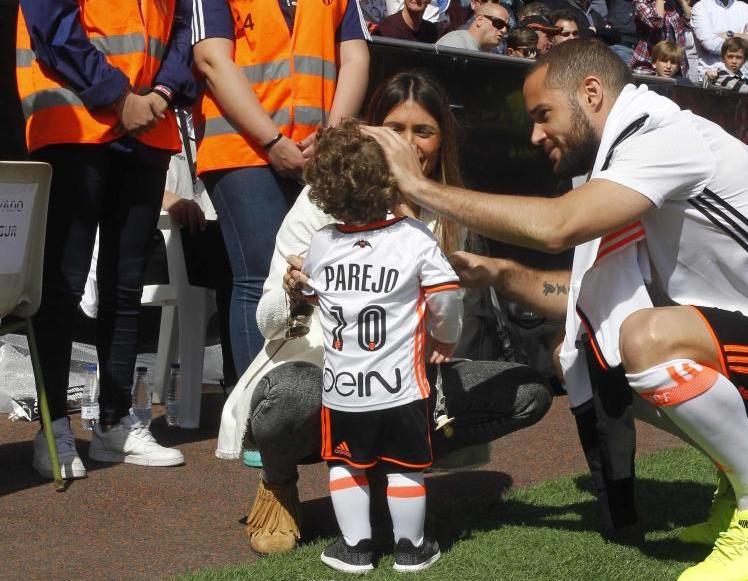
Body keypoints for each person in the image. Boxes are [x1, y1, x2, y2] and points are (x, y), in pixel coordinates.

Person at [365, 39, 748, 581]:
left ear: (590, 94)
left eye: (543, 115)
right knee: (591, 354)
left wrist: (417, 186)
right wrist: (498, 274)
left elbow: (559, 225)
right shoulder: (631, 151)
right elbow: (581, 295)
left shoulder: (664, 136)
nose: (535, 135)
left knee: (644, 339)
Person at [221, 71, 552, 555]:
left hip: (406, 379)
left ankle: (392, 467)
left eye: (424, 131)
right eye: (395, 129)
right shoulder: (320, 203)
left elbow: (449, 330)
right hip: (326, 373)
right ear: (371, 136)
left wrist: (432, 237)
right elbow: (268, 324)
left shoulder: (444, 209)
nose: (408, 144)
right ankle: (278, 484)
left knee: (527, 390)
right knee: (292, 392)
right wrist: (294, 293)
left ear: (442, 142)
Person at [16, 0, 196, 477]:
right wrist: (119, 97)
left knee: (126, 283)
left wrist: (159, 94)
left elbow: (184, 29)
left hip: (148, 126)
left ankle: (115, 422)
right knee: (63, 282)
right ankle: (52, 428)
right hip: (75, 121)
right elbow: (51, 25)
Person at [189, 0, 370, 382]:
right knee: (259, 275)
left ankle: (307, 406)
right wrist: (272, 142)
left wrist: (331, 137)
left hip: (317, 151)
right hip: (241, 148)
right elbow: (211, 61)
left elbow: (356, 56)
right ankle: (257, 415)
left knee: (321, 273)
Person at [300, 121, 462, 573]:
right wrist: (445, 337)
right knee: (406, 467)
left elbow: (318, 295)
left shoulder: (322, 243)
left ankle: (356, 547)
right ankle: (411, 548)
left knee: (345, 465)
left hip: (344, 388)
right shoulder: (414, 237)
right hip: (401, 387)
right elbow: (447, 295)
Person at [629, 0, 703, 77]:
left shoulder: (670, 0)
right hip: (648, 68)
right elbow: (656, 22)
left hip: (674, 67)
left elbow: (690, 22)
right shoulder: (640, 0)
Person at [436, 0, 508, 51]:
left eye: (507, 27)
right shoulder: (456, 42)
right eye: (499, 23)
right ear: (480, 20)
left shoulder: (491, 52)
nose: (504, 30)